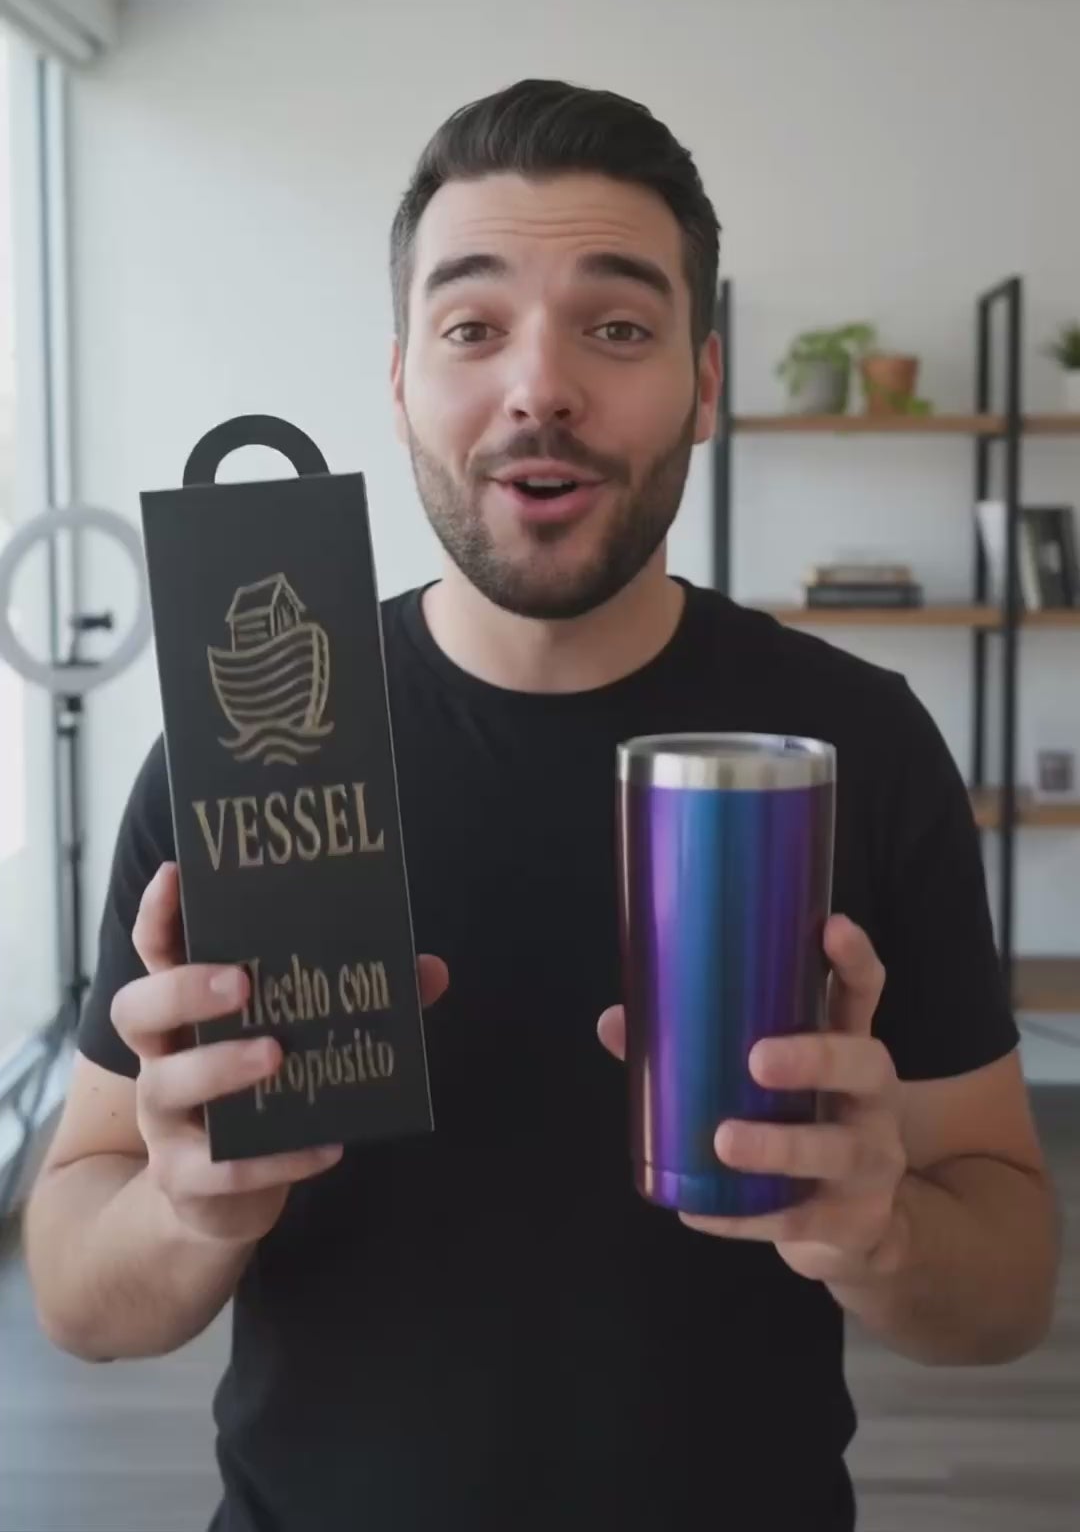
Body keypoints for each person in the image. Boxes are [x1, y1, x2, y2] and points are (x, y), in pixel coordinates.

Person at [25, 78, 1059, 1532]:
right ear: (401, 379)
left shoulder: (855, 744)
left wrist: (883, 1228)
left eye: (617, 327)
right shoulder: (243, 754)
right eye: (473, 327)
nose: (540, 387)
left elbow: (1006, 1295)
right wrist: (180, 1209)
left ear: (705, 380)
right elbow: (79, 1298)